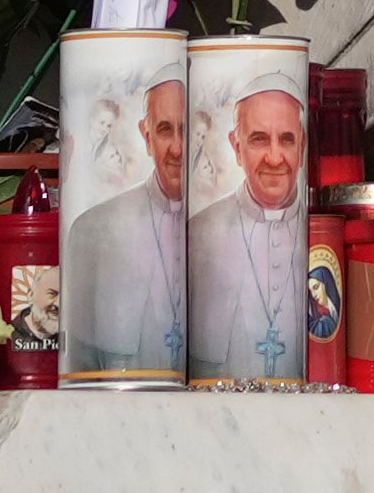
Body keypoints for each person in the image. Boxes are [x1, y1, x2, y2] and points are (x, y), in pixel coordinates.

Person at [187, 79, 308, 382]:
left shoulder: (320, 232)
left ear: (302, 146)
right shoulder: (199, 233)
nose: (275, 157)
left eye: (287, 139)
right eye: (259, 139)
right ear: (236, 146)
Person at [70, 76, 188, 374]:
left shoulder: (218, 232)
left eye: (186, 132)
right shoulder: (94, 227)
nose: (177, 149)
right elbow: (82, 366)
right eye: (165, 130)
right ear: (147, 136)